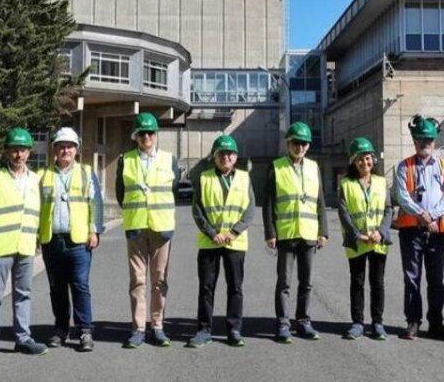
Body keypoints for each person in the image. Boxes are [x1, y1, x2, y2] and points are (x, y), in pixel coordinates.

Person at [0, 127, 47, 365]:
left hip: (26, 246)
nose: (19, 155)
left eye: (23, 150)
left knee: (23, 294)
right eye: (15, 150)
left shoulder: (37, 180)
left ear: (29, 152)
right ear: (7, 152)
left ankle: (23, 339)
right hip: (1, 248)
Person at [115, 112, 181, 349]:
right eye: (142, 133)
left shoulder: (169, 160)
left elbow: (172, 188)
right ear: (135, 136)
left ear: (156, 135)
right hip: (136, 227)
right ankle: (138, 328)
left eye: (150, 132)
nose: (146, 137)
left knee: (159, 280)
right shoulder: (125, 160)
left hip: (161, 228)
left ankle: (158, 325)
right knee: (137, 280)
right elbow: (121, 194)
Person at [262, 121, 329, 343]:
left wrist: (324, 231)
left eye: (304, 143)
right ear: (288, 143)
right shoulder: (276, 166)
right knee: (284, 282)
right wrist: (270, 232)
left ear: (308, 146)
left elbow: (320, 201)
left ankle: (304, 322)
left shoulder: (313, 167)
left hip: (309, 234)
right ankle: (282, 324)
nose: (300, 147)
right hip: (286, 234)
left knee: (306, 281)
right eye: (296, 143)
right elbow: (269, 202)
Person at [39, 127, 104, 353]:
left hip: (78, 241)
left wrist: (95, 231)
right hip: (52, 240)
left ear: (76, 149)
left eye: (70, 146)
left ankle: (85, 330)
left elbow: (96, 204)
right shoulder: (42, 175)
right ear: (55, 150)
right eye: (61, 146)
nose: (65, 150)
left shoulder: (86, 172)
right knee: (57, 288)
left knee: (80, 286)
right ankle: (60, 329)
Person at [392, 114, 444, 340]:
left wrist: (432, 217)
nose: (425, 143)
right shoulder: (404, 166)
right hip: (411, 230)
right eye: (420, 138)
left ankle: (436, 323)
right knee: (412, 278)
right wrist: (422, 215)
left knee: (436, 280)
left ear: (435, 141)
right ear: (414, 140)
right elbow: (402, 196)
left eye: (428, 139)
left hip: (436, 231)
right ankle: (413, 322)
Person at [187, 134, 253, 348]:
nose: (226, 157)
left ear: (235, 157)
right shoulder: (204, 177)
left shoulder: (244, 178)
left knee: (235, 287)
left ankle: (234, 329)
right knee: (206, 287)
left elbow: (250, 210)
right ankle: (204, 329)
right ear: (214, 157)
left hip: (235, 242)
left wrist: (234, 232)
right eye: (221, 153)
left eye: (230, 153)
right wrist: (211, 232)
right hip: (210, 242)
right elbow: (197, 210)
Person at [336, 137, 393, 341]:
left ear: (373, 160)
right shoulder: (346, 184)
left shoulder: (381, 182)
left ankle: (377, 323)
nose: (364, 163)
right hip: (357, 241)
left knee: (377, 283)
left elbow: (388, 209)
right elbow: (343, 213)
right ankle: (358, 323)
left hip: (378, 240)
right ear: (353, 161)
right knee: (357, 282)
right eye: (360, 159)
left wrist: (381, 232)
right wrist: (356, 234)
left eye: (367, 158)